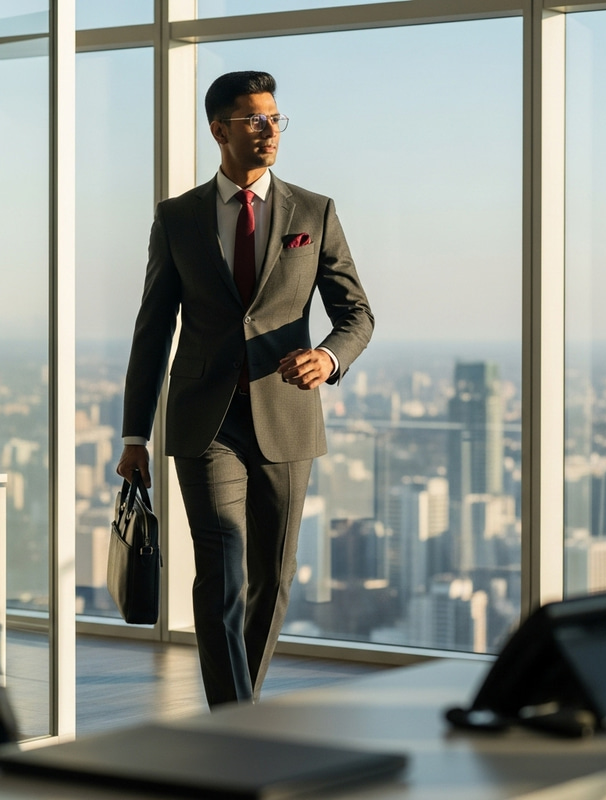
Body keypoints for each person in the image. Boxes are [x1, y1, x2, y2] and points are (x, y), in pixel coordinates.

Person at [116, 71, 374, 707]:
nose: (269, 131)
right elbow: (153, 330)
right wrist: (133, 434)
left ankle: (241, 710)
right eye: (255, 119)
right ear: (219, 130)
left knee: (275, 577)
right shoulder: (177, 218)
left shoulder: (315, 212)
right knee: (221, 571)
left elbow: (357, 314)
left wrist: (328, 359)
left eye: (275, 119)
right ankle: (232, 720)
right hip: (206, 421)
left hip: (287, 419)